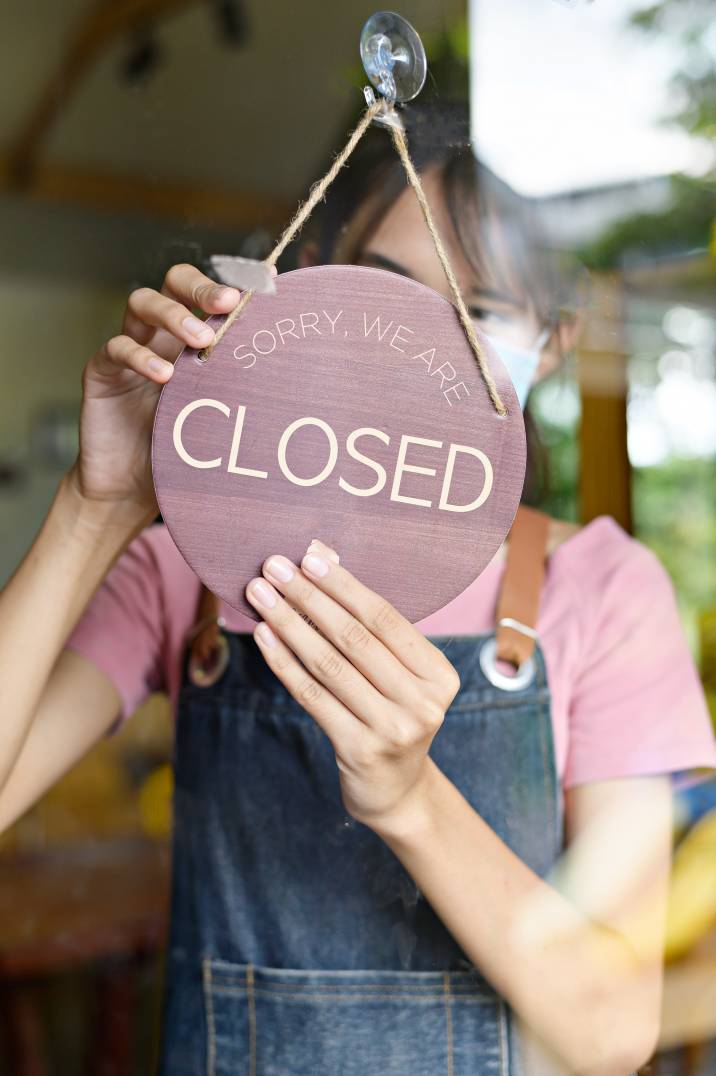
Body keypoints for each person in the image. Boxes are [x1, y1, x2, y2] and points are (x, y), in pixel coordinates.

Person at [1, 102, 715, 1076]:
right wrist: (98, 506)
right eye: (392, 293)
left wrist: (411, 796)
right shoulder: (194, 568)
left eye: (483, 309)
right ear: (316, 288)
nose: (429, 340)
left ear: (553, 341)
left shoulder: (598, 587)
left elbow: (610, 1030)